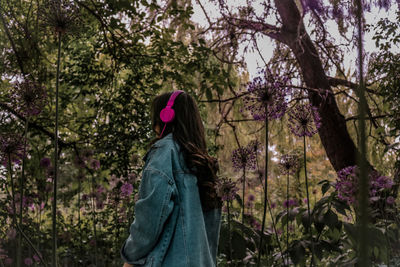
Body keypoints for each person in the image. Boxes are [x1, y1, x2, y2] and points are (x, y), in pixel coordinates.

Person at [120, 90, 223, 267]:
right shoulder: (203, 164)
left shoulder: (164, 153)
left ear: (166, 116)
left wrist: (130, 256)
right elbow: (210, 238)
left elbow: (150, 217)